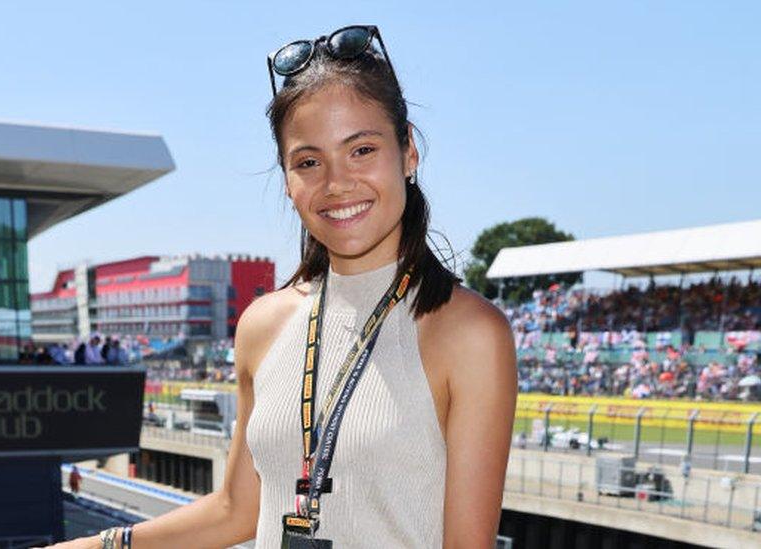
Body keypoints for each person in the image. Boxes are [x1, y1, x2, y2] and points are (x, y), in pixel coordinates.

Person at [47, 24, 515, 548]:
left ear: (408, 152)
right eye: (309, 162)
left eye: (361, 150)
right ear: (287, 178)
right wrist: (96, 545)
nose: (336, 183)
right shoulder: (262, 325)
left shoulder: (471, 333)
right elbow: (235, 511)